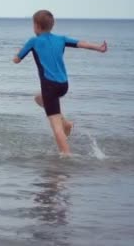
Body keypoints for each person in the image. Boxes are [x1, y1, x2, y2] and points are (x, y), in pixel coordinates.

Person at [13, 10, 107, 155]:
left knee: (56, 128)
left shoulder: (33, 41)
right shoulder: (61, 39)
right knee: (39, 99)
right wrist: (99, 48)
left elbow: (16, 60)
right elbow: (82, 44)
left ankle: (66, 157)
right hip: (63, 85)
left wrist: (18, 52)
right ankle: (66, 123)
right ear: (52, 25)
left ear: (36, 26)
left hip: (50, 86)